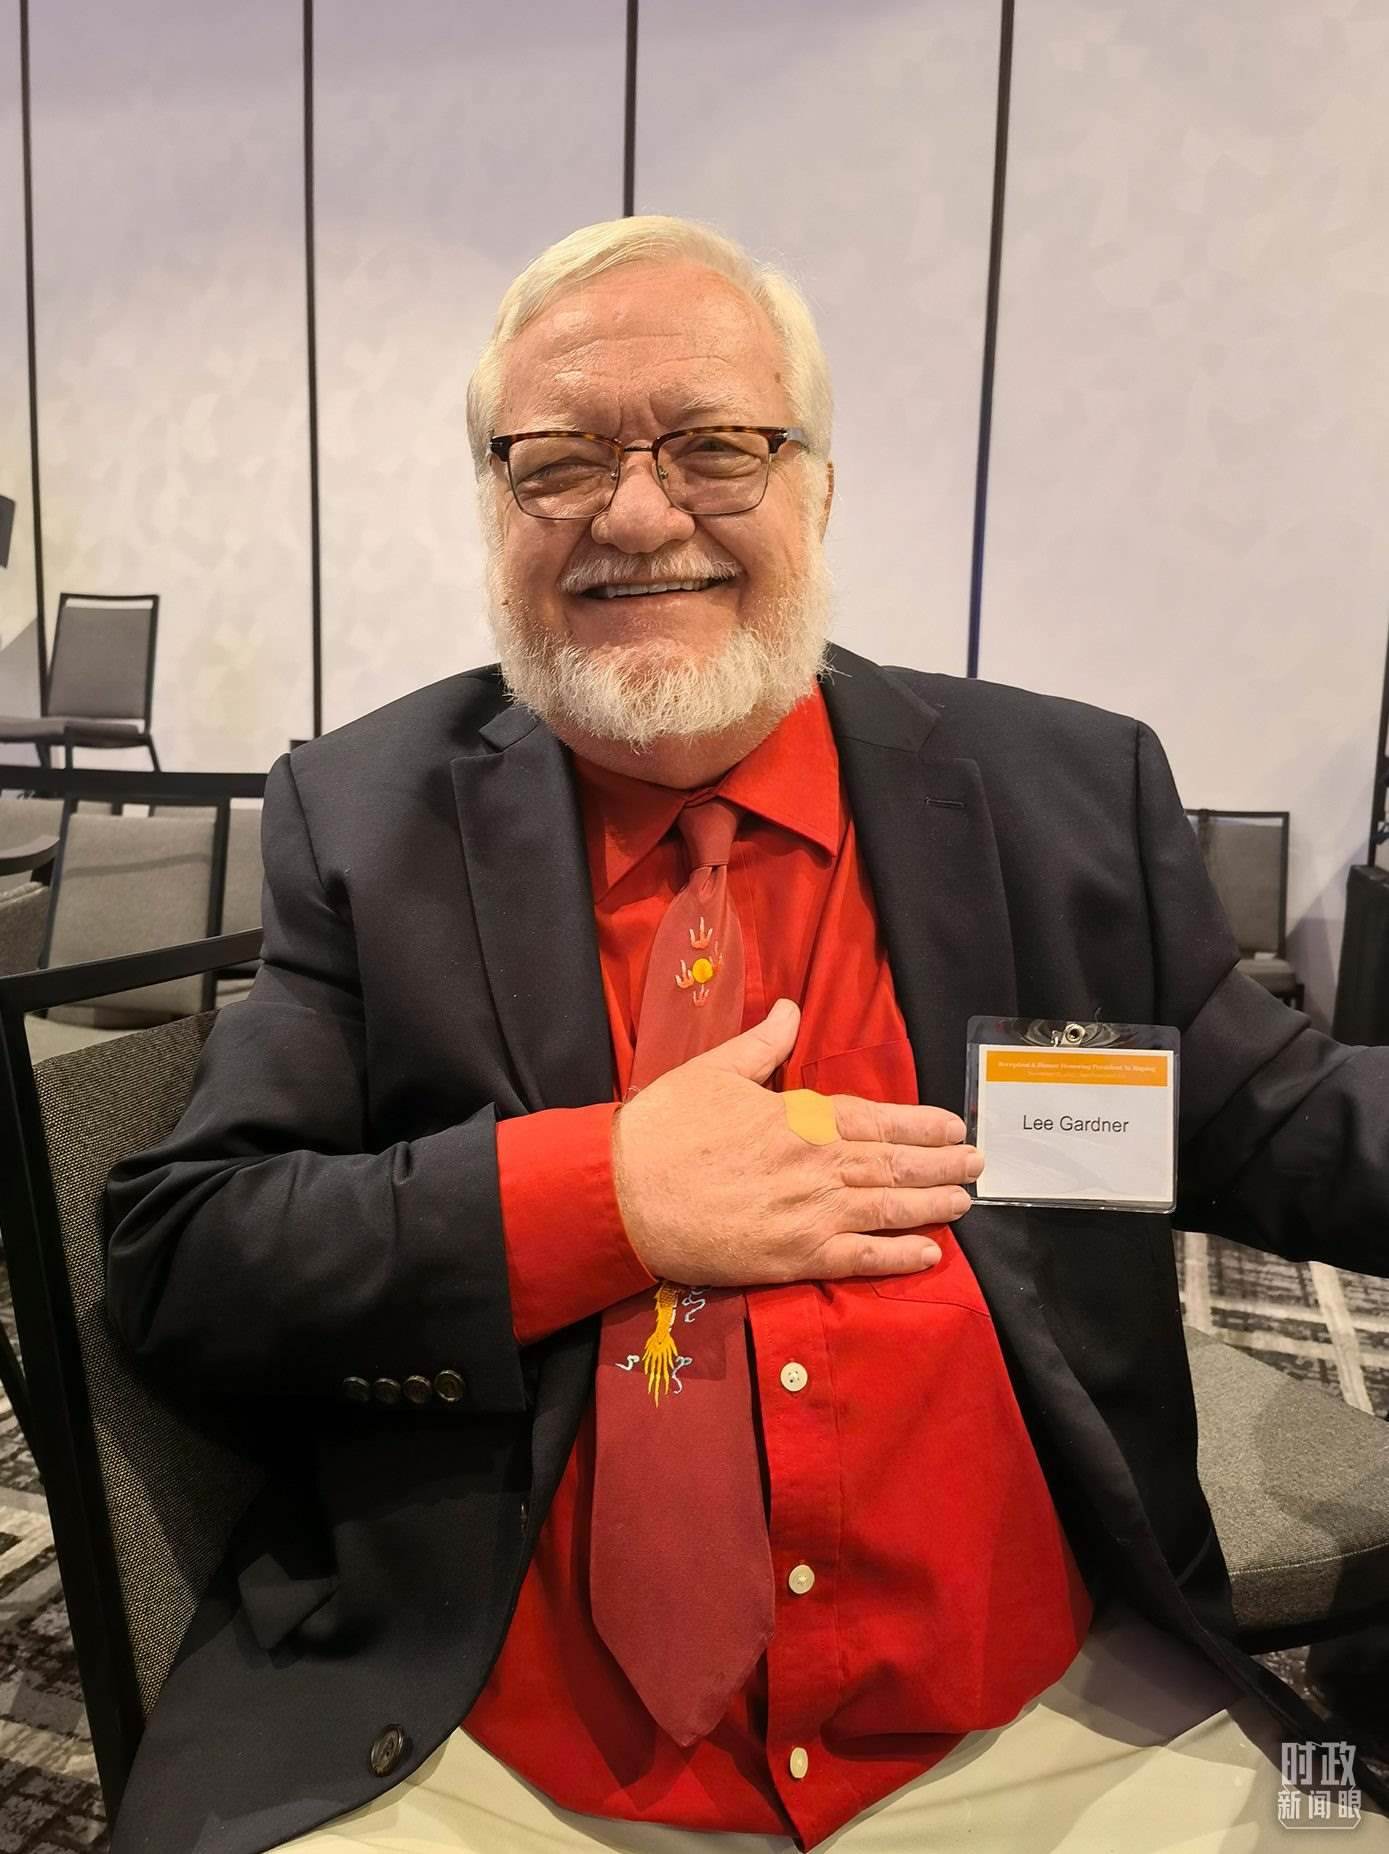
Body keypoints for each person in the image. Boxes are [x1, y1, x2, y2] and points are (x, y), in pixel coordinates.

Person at [103, 216, 1389, 1854]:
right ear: (493, 508)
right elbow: (193, 1257)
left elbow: (1286, 1123)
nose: (636, 514)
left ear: (819, 488)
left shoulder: (1059, 797)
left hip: (1052, 1716)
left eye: (715, 445)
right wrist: (606, 1195)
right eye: (558, 460)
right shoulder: (364, 822)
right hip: (483, 1741)